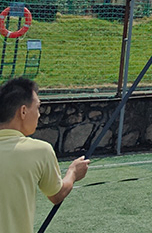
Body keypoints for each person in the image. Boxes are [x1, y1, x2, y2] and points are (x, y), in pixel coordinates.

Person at [0, 77, 90, 233]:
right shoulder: (40, 151)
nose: (39, 115)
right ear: (23, 111)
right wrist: (73, 173)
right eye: (38, 108)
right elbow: (56, 194)